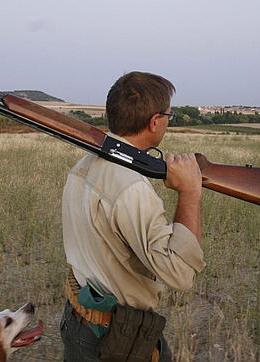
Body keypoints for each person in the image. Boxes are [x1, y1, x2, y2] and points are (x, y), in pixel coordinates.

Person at [59, 71, 205, 361]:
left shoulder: (83, 165)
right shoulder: (132, 188)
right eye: (168, 117)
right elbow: (180, 274)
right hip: (115, 340)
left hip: (80, 320)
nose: (167, 122)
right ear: (154, 122)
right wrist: (190, 192)